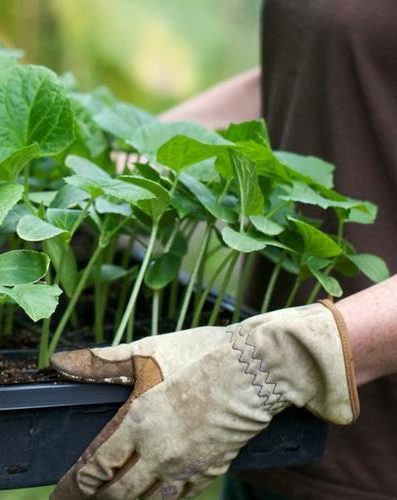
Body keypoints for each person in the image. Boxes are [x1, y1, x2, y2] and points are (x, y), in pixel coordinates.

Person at [49, 2, 397, 499]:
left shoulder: (262, 373)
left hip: (370, 462)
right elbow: (323, 66)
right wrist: (105, 171)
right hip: (259, 434)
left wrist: (286, 360)